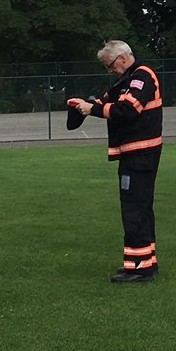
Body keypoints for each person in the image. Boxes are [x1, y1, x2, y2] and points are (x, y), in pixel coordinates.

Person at [70, 41, 163, 284]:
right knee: (141, 208)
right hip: (136, 154)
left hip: (140, 154)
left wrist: (92, 109)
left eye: (110, 65)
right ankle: (144, 262)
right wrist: (84, 105)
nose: (109, 70)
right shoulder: (127, 79)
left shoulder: (141, 76)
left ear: (122, 58)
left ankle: (139, 269)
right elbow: (106, 101)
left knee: (134, 209)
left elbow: (127, 110)